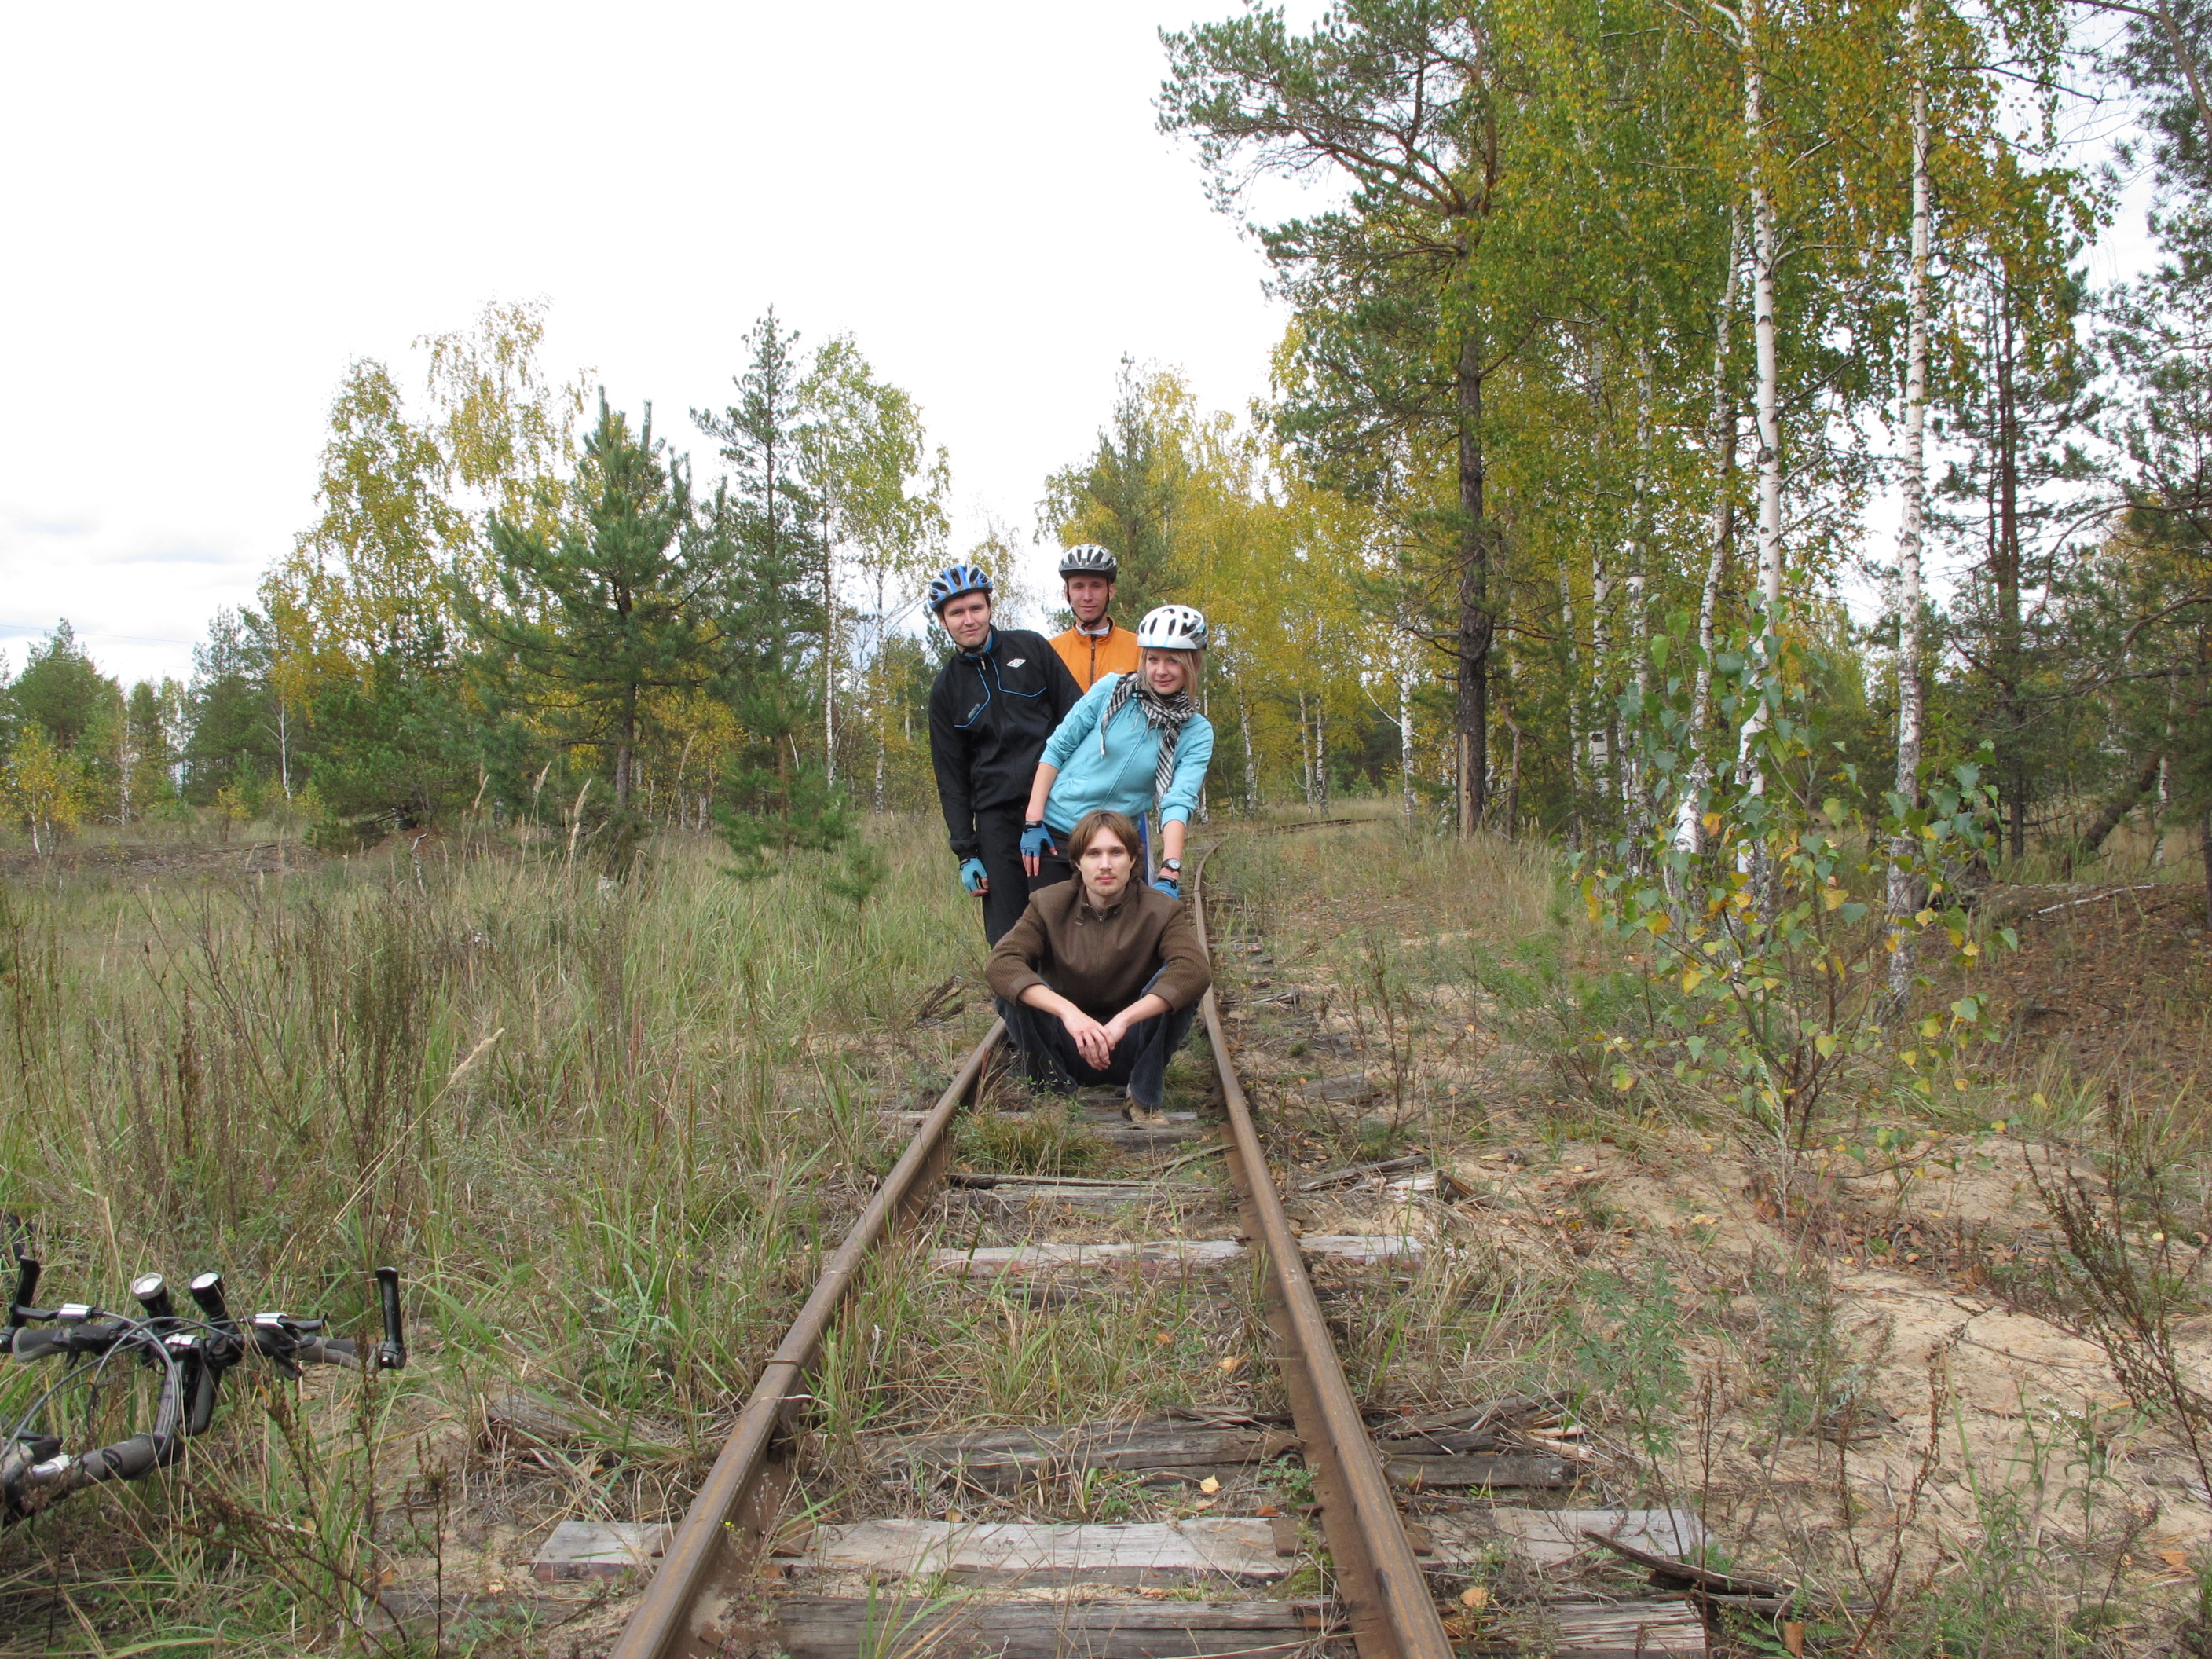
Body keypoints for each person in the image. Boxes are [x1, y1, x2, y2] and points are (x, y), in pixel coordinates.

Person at [987, 808, 1210, 1123]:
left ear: (1132, 859)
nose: (1105, 864)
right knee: (1014, 989)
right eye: (1094, 854)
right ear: (1078, 862)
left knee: (1181, 983)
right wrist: (1069, 1013)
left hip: (1130, 1046)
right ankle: (1053, 1095)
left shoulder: (1161, 910)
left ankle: (1142, 1098)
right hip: (1066, 1045)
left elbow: (1194, 968)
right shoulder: (1047, 904)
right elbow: (1002, 961)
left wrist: (1124, 1020)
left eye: (1116, 852)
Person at [925, 562, 1084, 944]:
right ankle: (1015, 987)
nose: (968, 620)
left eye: (975, 608)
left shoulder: (1031, 648)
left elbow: (1078, 720)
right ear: (943, 621)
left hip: (1055, 806)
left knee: (1067, 926)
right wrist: (966, 853)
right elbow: (951, 778)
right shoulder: (945, 690)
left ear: (989, 608)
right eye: (956, 613)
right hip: (996, 823)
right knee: (1008, 938)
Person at [1018, 604, 1214, 900]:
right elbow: (1057, 748)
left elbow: (1178, 800)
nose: (1161, 671)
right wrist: (1033, 822)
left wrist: (1170, 872)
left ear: (1193, 663)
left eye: (1173, 661)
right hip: (1056, 833)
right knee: (1051, 926)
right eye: (1153, 659)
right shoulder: (1111, 690)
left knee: (1115, 931)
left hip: (1115, 848)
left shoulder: (1196, 732)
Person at [1047, 544, 1142, 692]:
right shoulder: (1050, 651)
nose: (1087, 597)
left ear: (1111, 591)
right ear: (1067, 592)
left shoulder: (1139, 649)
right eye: (1079, 587)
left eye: (1096, 586)